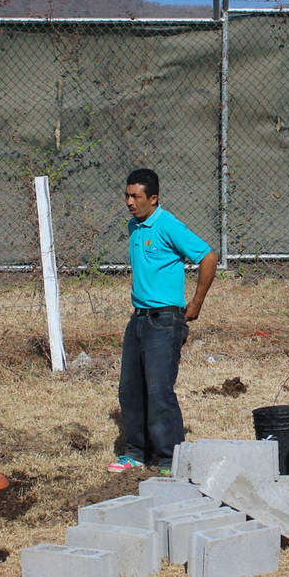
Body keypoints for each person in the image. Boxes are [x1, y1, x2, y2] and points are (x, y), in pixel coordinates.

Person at [108, 168, 218, 475]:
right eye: (127, 195)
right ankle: (136, 452)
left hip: (165, 319)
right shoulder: (134, 227)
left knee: (159, 390)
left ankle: (171, 459)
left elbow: (207, 256)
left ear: (153, 199)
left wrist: (196, 302)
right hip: (139, 319)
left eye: (136, 196)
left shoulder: (168, 225)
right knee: (130, 389)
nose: (129, 202)